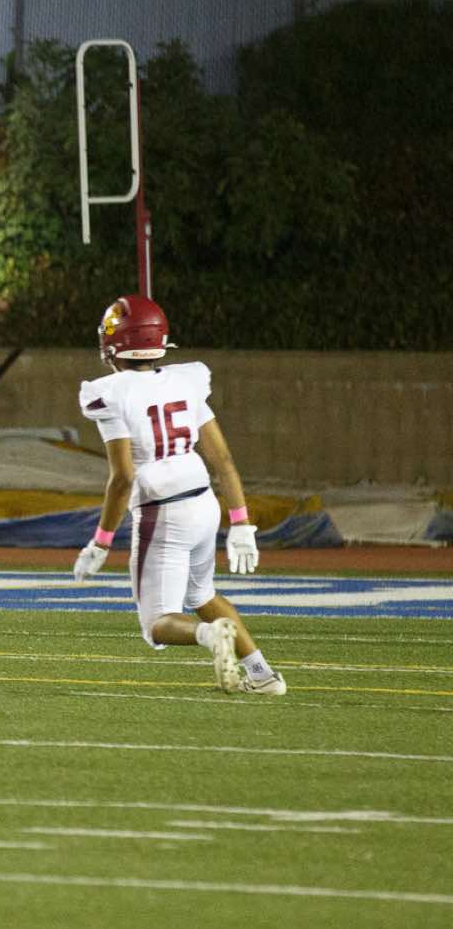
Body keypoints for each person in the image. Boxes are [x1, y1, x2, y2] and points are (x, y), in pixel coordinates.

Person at [72, 296, 285, 695]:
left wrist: (100, 542)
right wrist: (241, 521)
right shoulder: (186, 380)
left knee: (157, 623)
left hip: (163, 510)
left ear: (114, 343)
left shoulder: (110, 393)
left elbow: (123, 478)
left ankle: (210, 635)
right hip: (204, 501)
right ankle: (263, 675)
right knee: (201, 594)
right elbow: (222, 459)